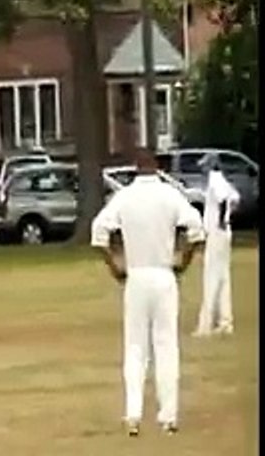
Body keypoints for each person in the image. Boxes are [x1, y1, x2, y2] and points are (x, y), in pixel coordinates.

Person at [90, 148, 205, 437]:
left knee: (135, 348)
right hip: (164, 273)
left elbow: (99, 231)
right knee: (166, 346)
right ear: (156, 166)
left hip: (137, 276)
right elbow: (196, 229)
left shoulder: (125, 197)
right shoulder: (169, 195)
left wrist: (114, 266)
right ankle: (169, 416)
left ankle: (133, 415)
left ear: (135, 168)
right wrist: (184, 260)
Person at [194, 154, 241, 337]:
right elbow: (235, 198)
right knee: (222, 278)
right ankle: (225, 321)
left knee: (211, 277)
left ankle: (205, 325)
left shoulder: (215, 180)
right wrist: (228, 216)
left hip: (216, 233)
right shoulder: (222, 181)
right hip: (223, 233)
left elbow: (222, 200)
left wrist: (221, 220)